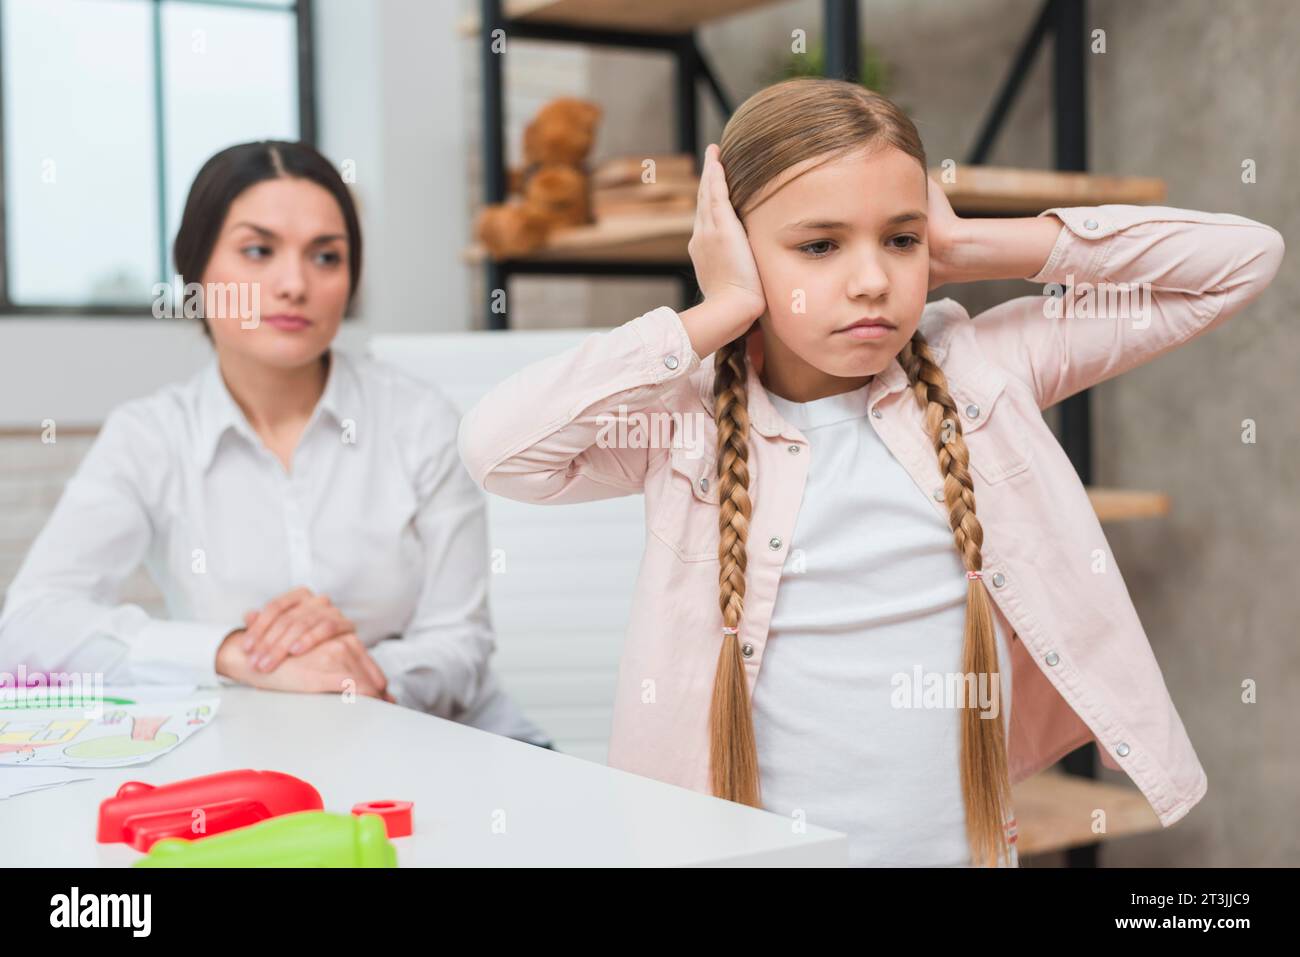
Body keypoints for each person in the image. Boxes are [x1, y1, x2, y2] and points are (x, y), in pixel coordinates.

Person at [456, 77, 1285, 864]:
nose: (871, 281)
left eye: (900, 238)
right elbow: (499, 447)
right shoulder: (682, 421)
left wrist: (972, 242)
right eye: (819, 245)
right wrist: (714, 313)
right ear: (738, 250)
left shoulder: (982, 367)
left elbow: (1241, 260)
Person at [0, 140, 553, 749]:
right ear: (195, 269)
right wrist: (234, 653)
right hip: (268, 764)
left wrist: (347, 676)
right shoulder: (150, 437)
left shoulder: (419, 421)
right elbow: (29, 623)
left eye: (326, 256)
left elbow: (461, 642)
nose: (294, 284)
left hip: (460, 753)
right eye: (258, 250)